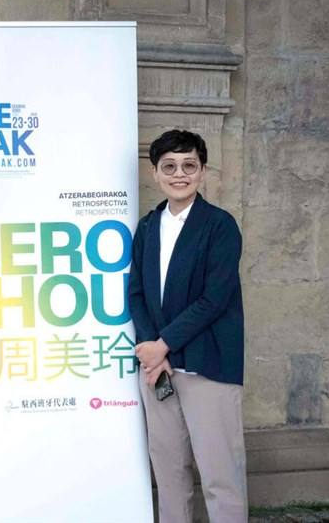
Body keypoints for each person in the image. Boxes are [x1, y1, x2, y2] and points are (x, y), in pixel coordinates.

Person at [128, 129, 247, 522]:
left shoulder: (220, 226)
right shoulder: (147, 227)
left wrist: (162, 343)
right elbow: (137, 294)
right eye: (170, 166)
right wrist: (151, 350)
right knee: (168, 472)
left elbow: (214, 299)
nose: (179, 174)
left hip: (206, 365)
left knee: (219, 474)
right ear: (155, 173)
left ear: (202, 171)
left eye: (189, 165)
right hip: (157, 370)